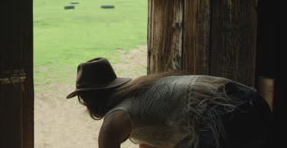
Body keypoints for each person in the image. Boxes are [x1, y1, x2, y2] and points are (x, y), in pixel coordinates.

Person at [66, 57, 272, 148]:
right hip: (253, 102)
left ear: (89, 98)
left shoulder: (114, 121)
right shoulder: (142, 97)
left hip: (223, 115)